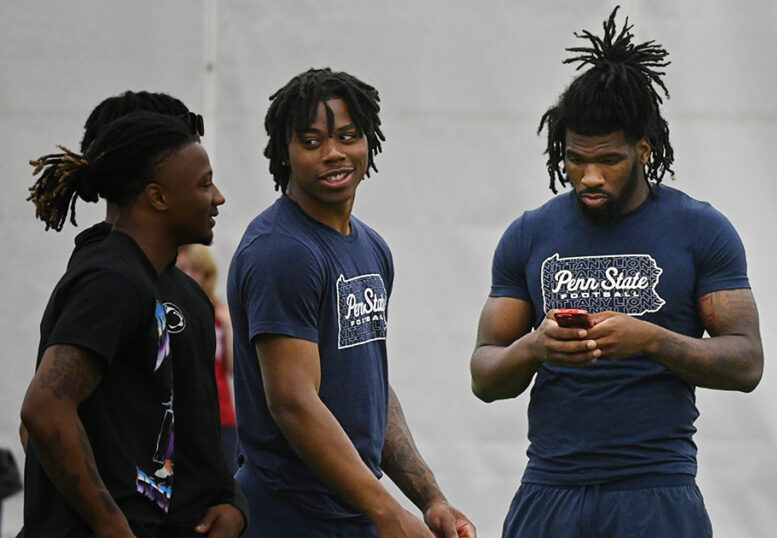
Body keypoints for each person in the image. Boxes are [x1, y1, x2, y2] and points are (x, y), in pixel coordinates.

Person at [470, 7, 764, 537]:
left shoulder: (700, 230)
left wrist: (652, 341)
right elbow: (484, 377)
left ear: (643, 150)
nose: (589, 176)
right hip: (551, 489)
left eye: (608, 160)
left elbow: (746, 362)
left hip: (654, 491)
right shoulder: (529, 234)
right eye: (575, 159)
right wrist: (535, 348)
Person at [227, 68, 475, 538]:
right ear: (285, 150)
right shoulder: (282, 251)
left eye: (348, 136)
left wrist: (429, 499)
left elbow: (371, 389)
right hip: (288, 516)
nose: (334, 153)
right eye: (312, 140)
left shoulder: (371, 247)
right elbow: (294, 402)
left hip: (350, 514)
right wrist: (388, 513)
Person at [20, 111, 226, 537]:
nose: (218, 197)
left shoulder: (141, 278)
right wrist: (111, 525)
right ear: (158, 197)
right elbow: (44, 409)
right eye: (204, 184)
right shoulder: (113, 279)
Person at [177, 244, 239, 475]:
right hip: (184, 418)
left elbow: (233, 369)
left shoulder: (220, 315)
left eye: (195, 270)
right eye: (182, 269)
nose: (188, 276)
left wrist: (230, 327)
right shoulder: (171, 314)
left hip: (221, 415)